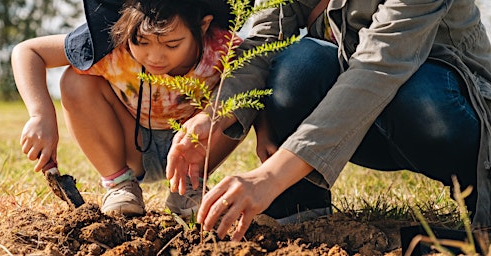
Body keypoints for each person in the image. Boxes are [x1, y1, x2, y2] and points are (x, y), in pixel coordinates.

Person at [165, 0, 491, 241]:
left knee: (416, 96)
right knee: (297, 65)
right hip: (364, 116)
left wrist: (270, 175)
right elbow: (264, 40)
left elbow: (378, 69)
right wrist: (217, 114)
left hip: (447, 111)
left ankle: (479, 207)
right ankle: (301, 211)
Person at [11, 0, 242, 217]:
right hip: (132, 145)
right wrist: (40, 115)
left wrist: (265, 136)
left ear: (202, 27)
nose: (155, 57)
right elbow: (28, 51)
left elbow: (260, 77)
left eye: (172, 44)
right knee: (75, 81)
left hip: (197, 146)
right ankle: (120, 185)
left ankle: (189, 188)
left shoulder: (224, 48)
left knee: (247, 90)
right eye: (142, 42)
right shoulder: (111, 43)